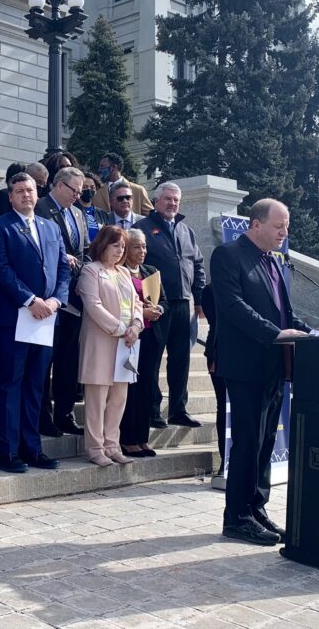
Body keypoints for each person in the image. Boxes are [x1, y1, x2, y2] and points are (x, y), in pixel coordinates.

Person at [210, 198, 311, 545]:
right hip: (244, 365)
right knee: (248, 441)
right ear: (256, 225)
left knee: (266, 441)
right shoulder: (228, 255)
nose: (285, 232)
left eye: (286, 226)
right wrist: (275, 334)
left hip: (274, 365)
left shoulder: (275, 262)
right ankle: (236, 517)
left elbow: (284, 314)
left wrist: (310, 333)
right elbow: (233, 306)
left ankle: (256, 508)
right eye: (278, 225)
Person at [0, 172, 70, 474]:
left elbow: (63, 268)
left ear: (38, 192)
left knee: (36, 385)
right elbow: (0, 269)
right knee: (11, 383)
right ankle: (7, 451)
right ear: (11, 197)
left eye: (30, 190)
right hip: (14, 318)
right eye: (19, 191)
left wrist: (57, 301)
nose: (26, 195)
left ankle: (32, 448)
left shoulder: (50, 227)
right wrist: (30, 300)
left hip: (46, 319)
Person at [133, 182, 205, 429]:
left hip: (184, 303)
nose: (172, 204)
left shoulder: (186, 230)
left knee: (181, 359)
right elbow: (133, 264)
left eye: (176, 200)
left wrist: (199, 297)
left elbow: (198, 265)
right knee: (151, 359)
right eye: (167, 199)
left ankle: (178, 410)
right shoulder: (141, 228)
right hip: (155, 303)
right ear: (156, 201)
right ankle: (152, 409)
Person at [77, 225, 144, 466]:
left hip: (126, 343)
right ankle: (95, 448)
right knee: (97, 398)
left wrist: (136, 326)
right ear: (102, 245)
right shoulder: (90, 271)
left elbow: (137, 302)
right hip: (101, 341)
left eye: (123, 247)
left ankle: (112, 445)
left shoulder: (125, 273)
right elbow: (93, 305)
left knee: (118, 397)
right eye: (115, 245)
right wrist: (119, 329)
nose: (120, 250)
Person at [35, 166, 90, 437]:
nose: (77, 196)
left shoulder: (78, 214)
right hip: (47, 297)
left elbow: (86, 251)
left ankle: (65, 414)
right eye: (74, 191)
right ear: (58, 185)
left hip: (74, 299)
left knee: (68, 360)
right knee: (45, 362)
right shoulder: (41, 208)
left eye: (81, 192)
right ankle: (43, 416)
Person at [118, 228, 167, 458]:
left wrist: (158, 309)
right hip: (129, 338)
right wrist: (140, 314)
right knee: (130, 388)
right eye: (137, 246)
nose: (142, 251)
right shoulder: (118, 272)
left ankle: (142, 438)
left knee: (148, 386)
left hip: (151, 338)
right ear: (126, 248)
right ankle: (127, 439)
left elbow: (163, 300)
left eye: (144, 246)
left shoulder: (151, 272)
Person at [199, 282, 225, 475]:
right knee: (224, 407)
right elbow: (217, 322)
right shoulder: (211, 290)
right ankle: (226, 459)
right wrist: (215, 355)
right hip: (219, 354)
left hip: (249, 357)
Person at [79, 172, 110, 242]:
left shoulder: (103, 214)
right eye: (85, 187)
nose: (89, 190)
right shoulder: (72, 211)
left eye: (92, 187)